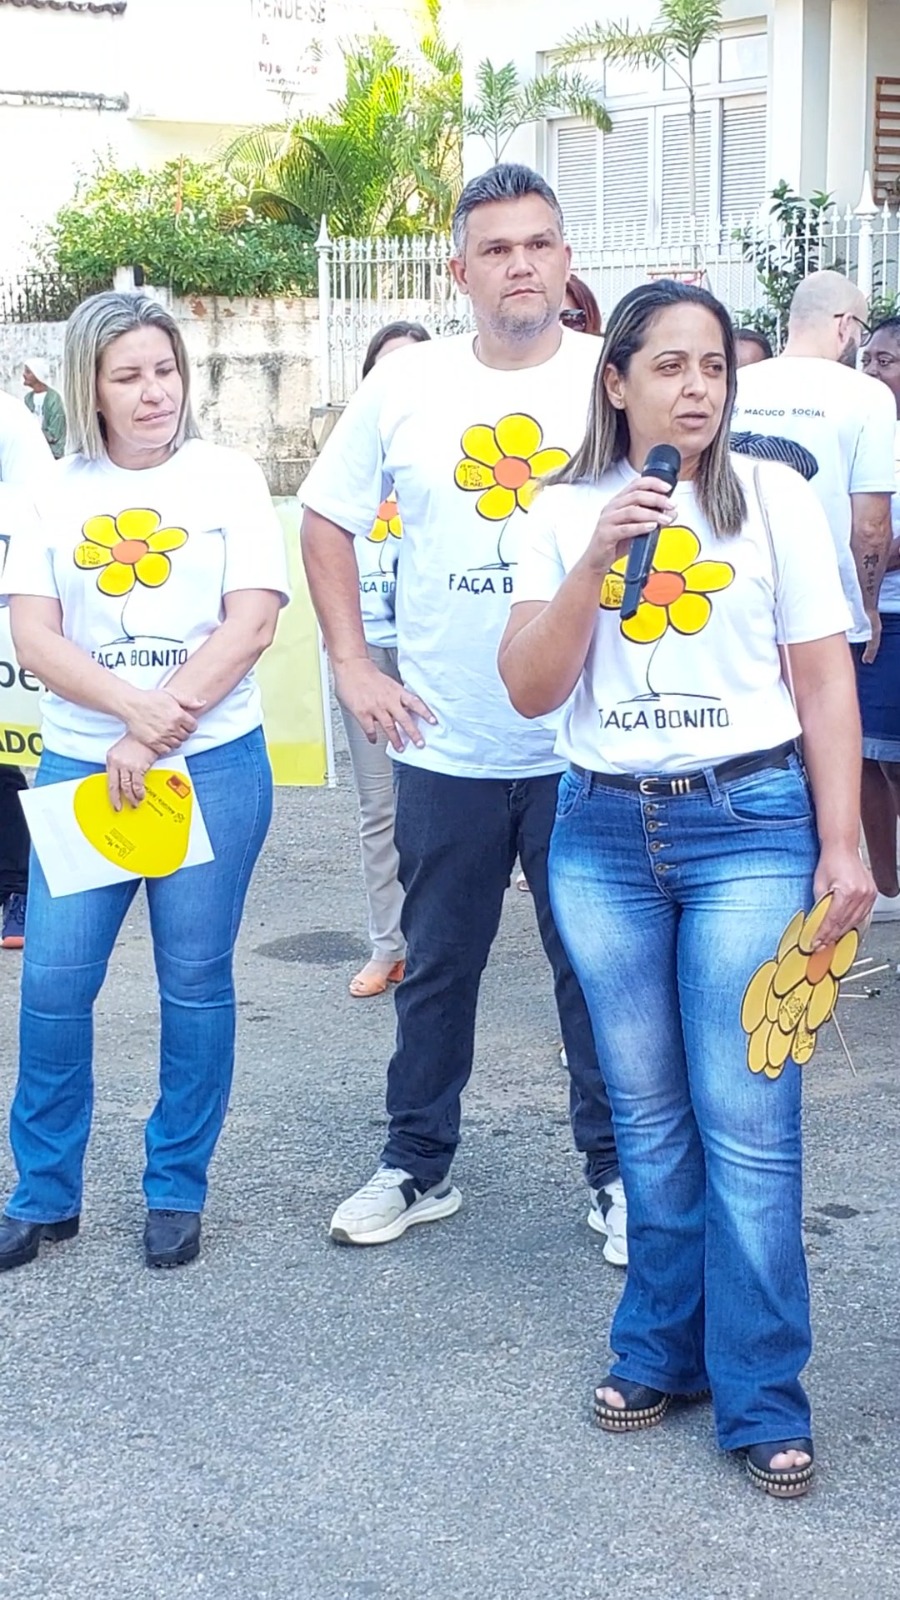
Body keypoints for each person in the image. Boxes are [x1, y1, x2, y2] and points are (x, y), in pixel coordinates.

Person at [499, 278, 873, 1498]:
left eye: (714, 366)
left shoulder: (774, 497)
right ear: (615, 382)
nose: (697, 388)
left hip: (749, 825)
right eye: (669, 366)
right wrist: (593, 561)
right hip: (603, 832)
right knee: (649, 1116)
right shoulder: (561, 511)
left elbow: (823, 681)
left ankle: (762, 1387)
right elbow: (529, 687)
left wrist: (843, 843)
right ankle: (661, 1343)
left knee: (748, 1120)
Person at [300, 163, 625, 1260]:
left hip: (588, 743)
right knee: (437, 968)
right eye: (496, 249)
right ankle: (415, 1164)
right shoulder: (410, 385)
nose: (519, 265)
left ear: (567, 259)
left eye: (538, 244)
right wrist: (353, 663)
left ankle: (617, 1175)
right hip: (447, 742)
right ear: (459, 271)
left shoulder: (612, 379)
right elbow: (325, 518)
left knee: (593, 971)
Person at [0, 291, 289, 1273]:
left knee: (195, 983)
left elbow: (253, 621)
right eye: (127, 375)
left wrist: (163, 724)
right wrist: (134, 717)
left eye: (164, 369)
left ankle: (176, 1187)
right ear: (89, 387)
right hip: (87, 768)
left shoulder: (229, 478)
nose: (153, 391)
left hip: (212, 766)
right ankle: (43, 1192)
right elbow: (34, 635)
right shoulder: (50, 490)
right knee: (53, 983)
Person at [733, 271, 895, 662]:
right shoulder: (867, 395)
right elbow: (871, 526)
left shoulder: (735, 384)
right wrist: (867, 607)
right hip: (824, 608)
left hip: (736, 594)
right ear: (845, 325)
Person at [340, 322, 430, 997]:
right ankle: (389, 945)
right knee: (380, 806)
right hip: (368, 648)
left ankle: (440, 941)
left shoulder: (451, 451)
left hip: (435, 648)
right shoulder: (347, 456)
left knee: (448, 803)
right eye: (386, 369)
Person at [0, 392, 53, 950]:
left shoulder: (8, 420)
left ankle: (19, 889)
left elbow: (38, 509)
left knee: (3, 751)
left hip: (14, 601)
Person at [858, 316, 900, 919]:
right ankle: (887, 883)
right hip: (861, 616)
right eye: (866, 358)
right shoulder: (863, 426)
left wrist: (862, 557)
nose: (870, 370)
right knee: (863, 752)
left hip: (890, 610)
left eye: (884, 360)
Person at [23, 359, 67, 460]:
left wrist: (34, 434)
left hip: (53, 454)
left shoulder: (54, 398)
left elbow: (55, 433)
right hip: (32, 452)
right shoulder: (28, 399)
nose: (24, 375)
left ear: (37, 375)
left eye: (28, 372)